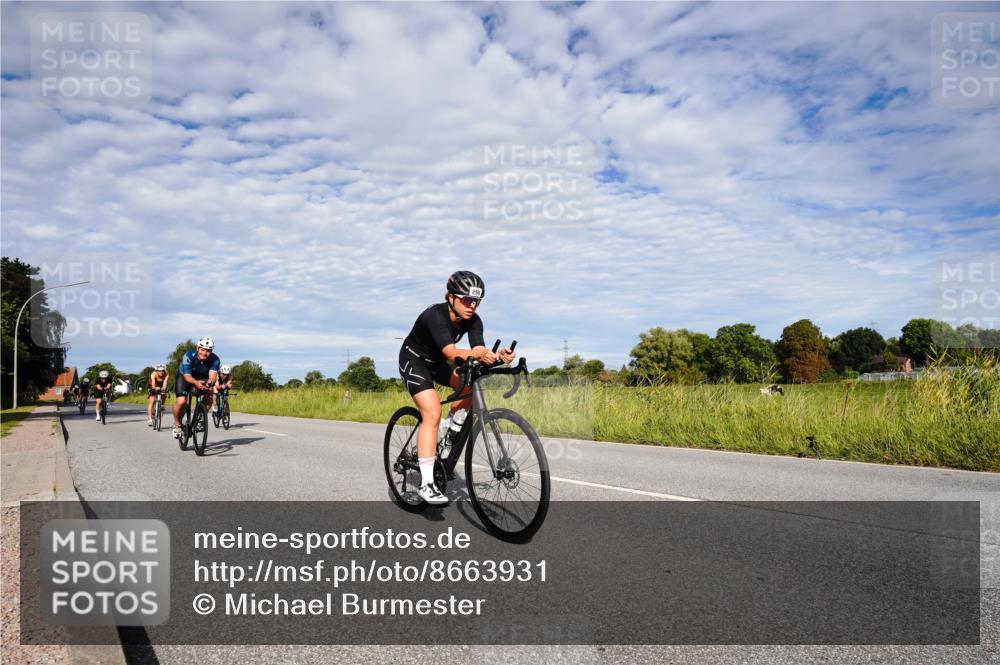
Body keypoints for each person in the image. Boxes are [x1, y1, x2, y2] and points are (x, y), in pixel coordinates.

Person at [398, 271, 514, 505]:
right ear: (450, 297)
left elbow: (477, 351)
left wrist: (498, 357)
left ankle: (449, 432)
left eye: (476, 301)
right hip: (414, 361)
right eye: (466, 300)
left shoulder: (474, 320)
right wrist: (478, 354)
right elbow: (452, 352)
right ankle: (427, 484)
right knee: (431, 412)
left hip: (439, 364)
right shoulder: (435, 315)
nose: (472, 306)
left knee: (469, 388)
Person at [172, 338, 220, 439]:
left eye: (208, 350)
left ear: (211, 351)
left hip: (202, 377)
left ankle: (201, 418)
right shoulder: (188, 356)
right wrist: (195, 383)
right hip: (185, 376)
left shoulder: (215, 359)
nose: (205, 353)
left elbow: (212, 376)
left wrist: (209, 382)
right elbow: (187, 377)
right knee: (181, 401)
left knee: (209, 393)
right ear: (197, 348)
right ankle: (177, 425)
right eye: (202, 349)